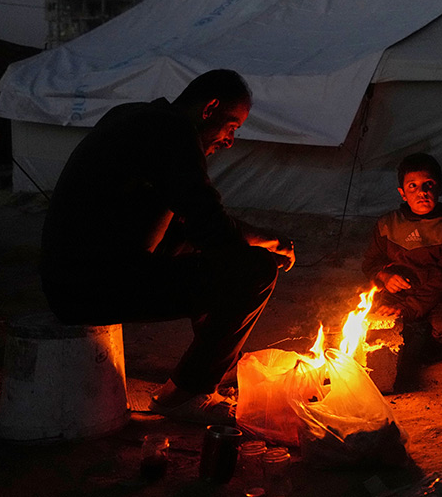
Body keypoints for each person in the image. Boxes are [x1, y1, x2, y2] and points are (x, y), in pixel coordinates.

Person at [39, 69, 295, 423]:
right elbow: (212, 227)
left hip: (71, 278)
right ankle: (186, 394)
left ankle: (205, 373)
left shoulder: (138, 117)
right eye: (231, 127)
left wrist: (258, 241)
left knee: (213, 253)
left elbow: (191, 223)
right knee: (255, 270)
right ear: (210, 109)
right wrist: (267, 246)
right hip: (90, 287)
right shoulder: (172, 131)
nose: (230, 141)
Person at [362, 152, 442, 355]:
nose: (422, 192)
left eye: (428, 184)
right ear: (402, 193)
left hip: (436, 296)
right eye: (412, 186)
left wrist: (409, 308)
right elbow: (370, 264)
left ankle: (424, 343)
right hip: (397, 295)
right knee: (370, 325)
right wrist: (385, 276)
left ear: (441, 188)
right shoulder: (387, 224)